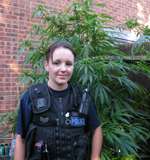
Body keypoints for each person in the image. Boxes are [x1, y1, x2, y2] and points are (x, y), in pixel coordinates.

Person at [14, 41, 103, 160]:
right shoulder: (31, 97)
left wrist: (95, 157)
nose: (63, 69)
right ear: (46, 65)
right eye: (56, 63)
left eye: (69, 64)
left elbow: (96, 128)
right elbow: (21, 137)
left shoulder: (82, 97)